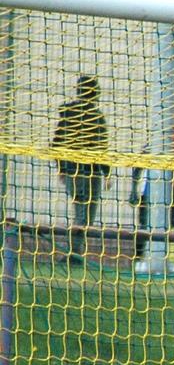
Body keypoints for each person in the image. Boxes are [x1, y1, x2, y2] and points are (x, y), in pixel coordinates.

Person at [52, 74, 111, 261]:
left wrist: (61, 167)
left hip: (71, 171)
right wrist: (107, 173)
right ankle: (74, 253)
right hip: (90, 172)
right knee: (85, 215)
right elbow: (101, 146)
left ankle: (74, 251)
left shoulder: (68, 115)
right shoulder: (95, 116)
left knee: (79, 210)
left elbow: (57, 143)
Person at [132, 93, 174, 264]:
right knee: (145, 223)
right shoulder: (158, 135)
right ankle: (140, 259)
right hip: (152, 188)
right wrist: (134, 188)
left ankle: (171, 259)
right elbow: (139, 162)